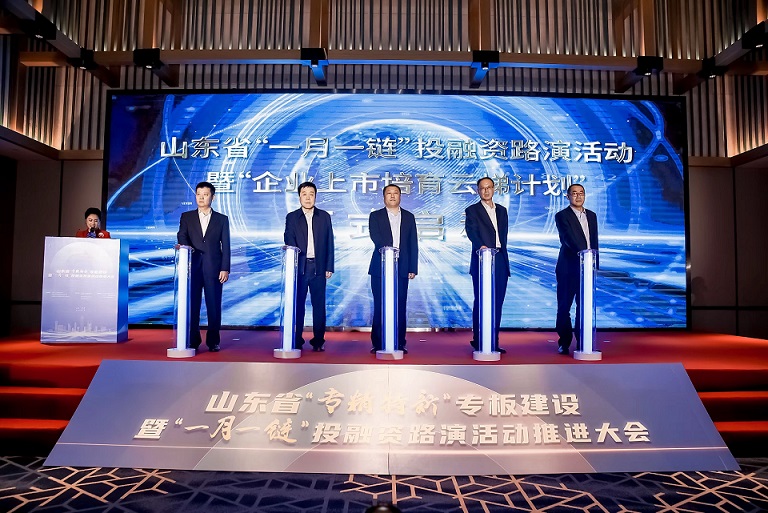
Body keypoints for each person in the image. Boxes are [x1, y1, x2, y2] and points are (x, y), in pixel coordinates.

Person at [177, 181, 230, 353]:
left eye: (205, 195)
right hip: (192, 267)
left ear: (212, 197)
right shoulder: (187, 217)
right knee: (192, 306)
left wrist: (225, 268)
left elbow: (226, 245)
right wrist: (187, 248)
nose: (201, 198)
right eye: (198, 194)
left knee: (213, 306)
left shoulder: (222, 219)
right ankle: (193, 340)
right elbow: (181, 236)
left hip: (214, 268)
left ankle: (213, 341)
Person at [284, 182, 335, 352]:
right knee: (298, 306)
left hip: (319, 267)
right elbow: (288, 239)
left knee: (319, 306)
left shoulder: (324, 216)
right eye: (304, 194)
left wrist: (329, 266)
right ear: (299, 197)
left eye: (311, 194)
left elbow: (329, 242)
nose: (308, 198)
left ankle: (318, 341)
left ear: (315, 196)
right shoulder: (292, 217)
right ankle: (296, 339)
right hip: (300, 267)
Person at [368, 184, 418, 354]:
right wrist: (389, 251)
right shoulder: (375, 216)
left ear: (400, 196)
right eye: (388, 193)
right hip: (380, 268)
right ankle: (378, 343)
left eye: (395, 193)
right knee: (380, 305)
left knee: (400, 305)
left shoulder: (409, 217)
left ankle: (399, 342)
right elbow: (376, 237)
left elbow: (413, 243)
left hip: (402, 268)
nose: (392, 196)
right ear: (383, 197)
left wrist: (412, 267)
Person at [465, 177, 510, 354]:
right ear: (478, 191)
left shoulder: (502, 211)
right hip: (482, 258)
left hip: (500, 259)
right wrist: (481, 247)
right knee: (481, 301)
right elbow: (471, 232)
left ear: (494, 189)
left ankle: (493, 341)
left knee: (497, 302)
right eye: (482, 188)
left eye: (489, 187)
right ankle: (478, 340)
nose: (486, 191)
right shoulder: (472, 210)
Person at [555, 183, 599, 355]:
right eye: (574, 193)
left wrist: (594, 263)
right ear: (568, 196)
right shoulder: (562, 215)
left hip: (587, 269)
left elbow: (594, 242)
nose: (578, 196)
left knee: (584, 306)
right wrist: (583, 254)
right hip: (568, 267)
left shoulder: (592, 216)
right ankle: (564, 342)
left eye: (581, 193)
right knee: (564, 307)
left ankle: (583, 342)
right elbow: (567, 238)